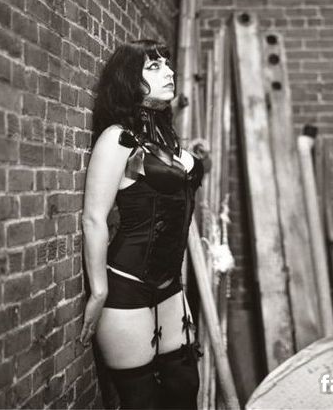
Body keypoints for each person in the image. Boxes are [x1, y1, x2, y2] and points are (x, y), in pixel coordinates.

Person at [79, 39, 205, 409]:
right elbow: (94, 217)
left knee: (185, 386)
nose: (169, 72)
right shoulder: (118, 138)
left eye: (167, 64)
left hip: (170, 285)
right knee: (142, 402)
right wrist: (98, 291)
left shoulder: (165, 136)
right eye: (154, 67)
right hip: (127, 285)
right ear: (129, 80)